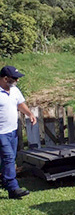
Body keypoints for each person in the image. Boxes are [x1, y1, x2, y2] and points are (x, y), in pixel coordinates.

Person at [0, 66, 36, 199]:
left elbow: (20, 104)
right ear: (5, 78)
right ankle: (13, 188)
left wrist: (29, 114)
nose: (17, 81)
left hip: (12, 131)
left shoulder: (14, 90)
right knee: (9, 158)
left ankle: (5, 182)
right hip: (1, 132)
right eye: (15, 78)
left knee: (7, 159)